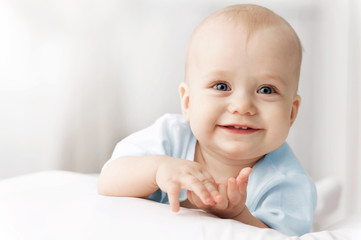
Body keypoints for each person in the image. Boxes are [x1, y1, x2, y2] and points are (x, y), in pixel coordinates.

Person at [98, 4, 317, 236]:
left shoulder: (286, 183)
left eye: (266, 90)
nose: (242, 105)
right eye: (221, 86)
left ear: (291, 113)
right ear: (188, 102)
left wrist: (237, 215)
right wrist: (157, 170)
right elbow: (108, 180)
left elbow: (280, 235)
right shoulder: (170, 137)